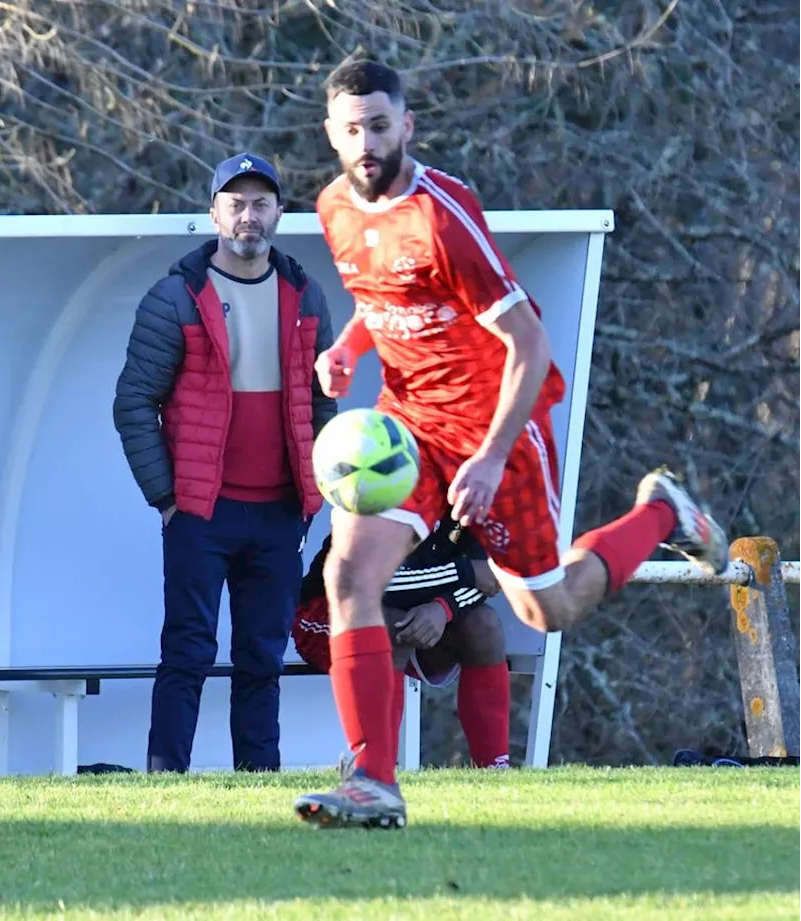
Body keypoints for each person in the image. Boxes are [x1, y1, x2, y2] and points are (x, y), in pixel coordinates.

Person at [294, 58, 729, 828]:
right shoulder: (333, 208)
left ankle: (660, 513)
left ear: (408, 126)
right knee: (349, 574)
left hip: (500, 425)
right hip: (408, 423)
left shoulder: (442, 216)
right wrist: (351, 351)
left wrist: (492, 456)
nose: (367, 142)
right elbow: (386, 296)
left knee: (544, 608)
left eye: (381, 126)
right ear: (332, 133)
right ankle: (372, 779)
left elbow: (528, 342)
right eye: (352, 129)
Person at [113, 153, 338, 772]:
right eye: (235, 203)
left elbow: (322, 405)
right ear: (213, 213)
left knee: (263, 658)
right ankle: (165, 778)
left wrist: (316, 493)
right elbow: (133, 403)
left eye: (260, 203)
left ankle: (260, 781)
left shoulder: (305, 294)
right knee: (187, 650)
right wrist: (167, 500)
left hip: (280, 514)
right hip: (200, 511)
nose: (248, 215)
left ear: (279, 214)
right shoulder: (177, 296)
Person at [292, 521, 512, 771]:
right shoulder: (382, 494)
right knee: (391, 629)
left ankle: (493, 767)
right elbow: (376, 586)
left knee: (484, 625)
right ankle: (378, 767)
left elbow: (490, 579)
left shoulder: (471, 497)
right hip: (328, 616)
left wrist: (444, 607)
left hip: (413, 612)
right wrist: (465, 571)